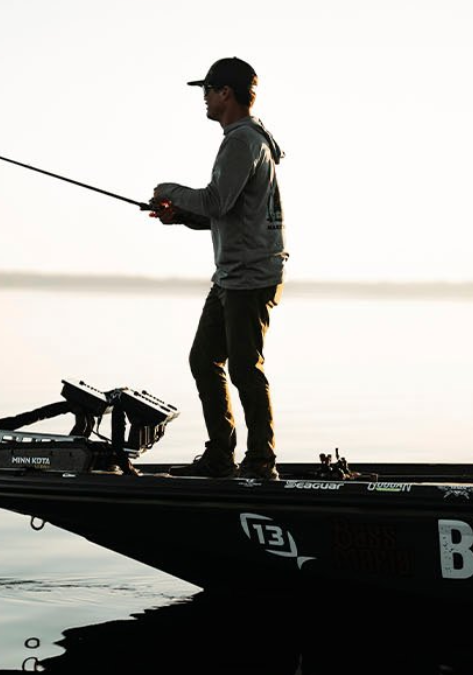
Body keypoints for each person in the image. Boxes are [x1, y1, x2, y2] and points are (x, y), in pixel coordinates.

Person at [149, 57, 287, 480]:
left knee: (245, 366)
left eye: (208, 90)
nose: (204, 99)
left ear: (226, 93)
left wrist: (169, 190)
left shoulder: (242, 141)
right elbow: (226, 212)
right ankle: (220, 457)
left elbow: (215, 201)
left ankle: (261, 462)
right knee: (204, 358)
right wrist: (180, 217)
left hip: (250, 276)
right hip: (233, 275)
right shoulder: (248, 139)